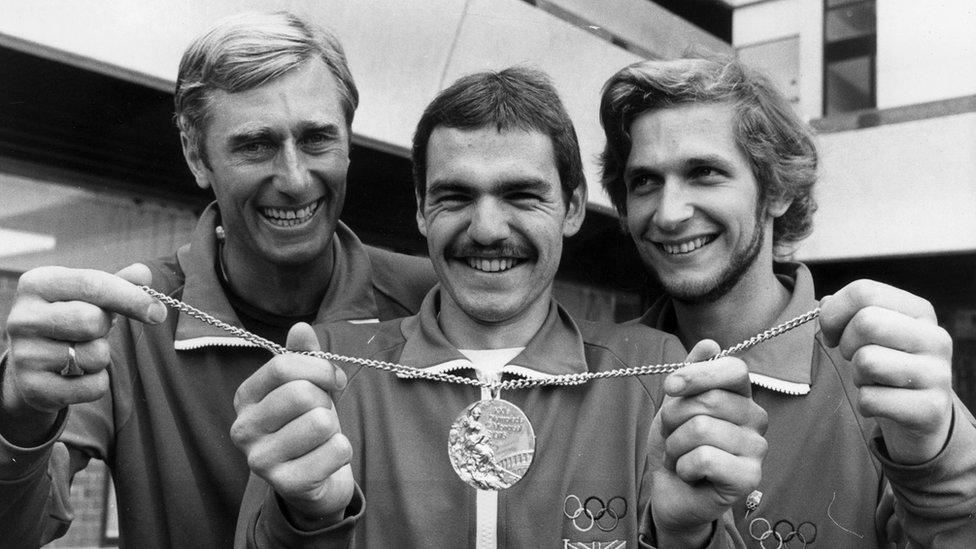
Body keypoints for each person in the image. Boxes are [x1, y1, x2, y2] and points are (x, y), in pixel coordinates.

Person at [231, 66, 768, 549]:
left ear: (574, 207)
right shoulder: (329, 371)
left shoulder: (653, 374)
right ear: (421, 210)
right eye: (456, 197)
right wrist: (304, 520)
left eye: (521, 195)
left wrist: (684, 536)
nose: (487, 230)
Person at [0, 11, 435, 548]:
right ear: (195, 156)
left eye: (318, 138)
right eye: (255, 145)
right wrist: (17, 414)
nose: (296, 179)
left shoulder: (429, 301)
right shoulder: (129, 322)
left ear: (348, 142)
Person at [598, 55, 976, 547]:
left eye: (705, 172)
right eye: (645, 181)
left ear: (776, 190)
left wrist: (939, 462)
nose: (669, 214)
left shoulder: (876, 377)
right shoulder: (602, 376)